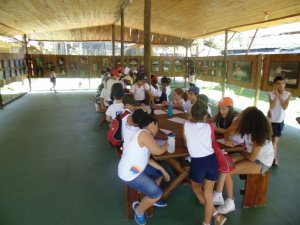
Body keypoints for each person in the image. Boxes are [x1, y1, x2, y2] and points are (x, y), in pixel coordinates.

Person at [216, 107, 274, 214]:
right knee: (226, 162)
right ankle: (218, 193)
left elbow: (252, 158)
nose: (241, 121)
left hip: (261, 161)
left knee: (228, 170)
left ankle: (230, 202)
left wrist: (237, 148)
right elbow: (228, 133)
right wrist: (228, 140)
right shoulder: (249, 128)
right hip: (250, 154)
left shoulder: (259, 135)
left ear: (249, 121)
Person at [118, 114, 170, 225]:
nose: (157, 129)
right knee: (157, 194)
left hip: (136, 167)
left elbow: (145, 158)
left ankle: (150, 197)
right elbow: (157, 152)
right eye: (157, 126)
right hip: (129, 174)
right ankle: (139, 211)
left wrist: (161, 168)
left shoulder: (143, 133)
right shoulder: (144, 134)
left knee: (158, 173)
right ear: (152, 124)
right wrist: (167, 145)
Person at [183, 100, 227, 225]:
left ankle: (216, 216)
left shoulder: (186, 125)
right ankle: (209, 221)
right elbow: (212, 141)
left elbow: (186, 143)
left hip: (198, 162)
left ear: (192, 114)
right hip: (211, 160)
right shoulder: (209, 126)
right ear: (204, 116)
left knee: (196, 188)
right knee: (208, 195)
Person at [268, 75, 291, 166]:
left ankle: (273, 157)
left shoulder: (288, 94)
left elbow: (284, 107)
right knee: (272, 140)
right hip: (271, 120)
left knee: (275, 141)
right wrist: (276, 96)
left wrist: (280, 96)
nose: (281, 85)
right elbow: (272, 106)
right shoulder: (270, 94)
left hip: (280, 121)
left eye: (283, 83)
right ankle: (274, 158)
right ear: (274, 85)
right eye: (278, 83)